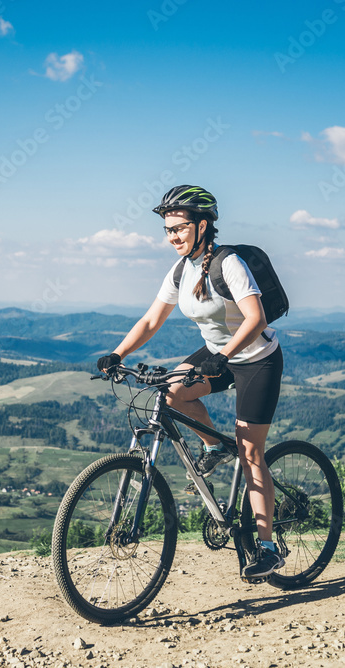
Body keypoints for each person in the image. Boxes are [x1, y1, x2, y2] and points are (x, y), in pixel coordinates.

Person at [97, 185, 285, 580]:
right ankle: (215, 447)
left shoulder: (228, 263)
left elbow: (256, 320)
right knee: (170, 394)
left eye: (179, 228)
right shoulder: (181, 269)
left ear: (202, 225)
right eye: (167, 230)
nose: (173, 237)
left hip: (256, 361)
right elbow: (151, 320)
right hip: (218, 354)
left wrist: (223, 357)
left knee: (251, 452)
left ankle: (268, 548)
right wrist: (118, 354)